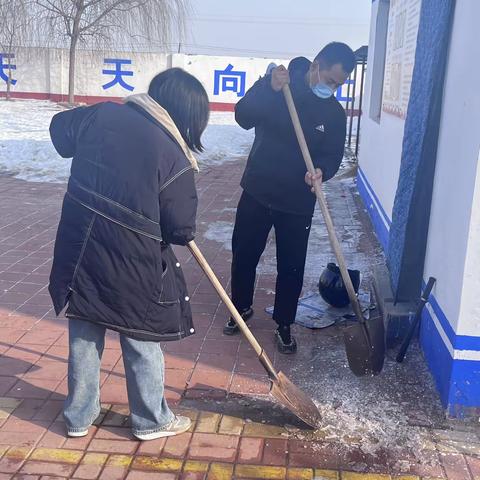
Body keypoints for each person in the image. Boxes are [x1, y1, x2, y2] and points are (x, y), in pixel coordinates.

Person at [48, 68, 209, 440]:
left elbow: (60, 133)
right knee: (140, 333)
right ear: (186, 114)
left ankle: (78, 417)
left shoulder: (101, 114)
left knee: (86, 325)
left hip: (81, 248)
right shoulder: (173, 154)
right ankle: (151, 419)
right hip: (131, 262)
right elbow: (181, 229)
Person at [225, 42, 356, 354]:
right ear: (315, 67)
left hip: (298, 200)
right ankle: (240, 309)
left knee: (292, 266)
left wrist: (322, 170)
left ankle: (284, 323)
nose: (333, 88)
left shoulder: (334, 114)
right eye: (330, 80)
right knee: (244, 254)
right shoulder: (277, 87)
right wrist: (267, 89)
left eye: (339, 84)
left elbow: (333, 154)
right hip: (258, 188)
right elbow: (242, 115)